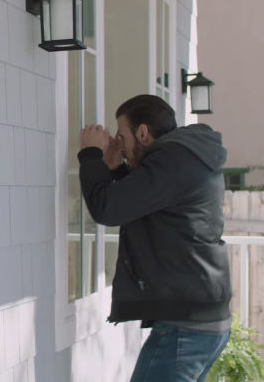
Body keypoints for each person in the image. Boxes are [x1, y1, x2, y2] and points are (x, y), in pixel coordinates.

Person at [77, 94, 232, 382]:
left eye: (121, 136)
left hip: (185, 325)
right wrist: (113, 168)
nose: (119, 146)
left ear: (143, 132)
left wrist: (90, 155)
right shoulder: (184, 157)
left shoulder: (172, 160)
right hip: (200, 317)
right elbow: (145, 202)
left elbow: (108, 209)